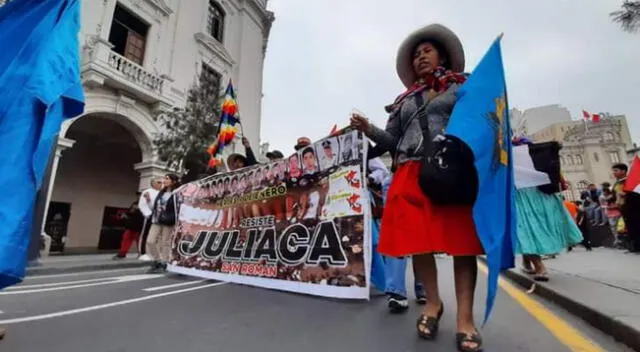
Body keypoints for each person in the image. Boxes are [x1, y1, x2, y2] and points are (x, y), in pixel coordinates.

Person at [351, 24, 484, 351]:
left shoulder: (463, 88)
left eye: (427, 50)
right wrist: (369, 129)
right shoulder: (404, 101)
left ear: (442, 55)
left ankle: (466, 319)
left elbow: (480, 125)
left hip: (451, 170)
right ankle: (433, 304)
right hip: (409, 172)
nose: (420, 57)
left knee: (462, 244)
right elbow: (393, 141)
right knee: (419, 243)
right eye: (415, 54)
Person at [147, 173, 180, 273]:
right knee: (150, 241)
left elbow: (178, 208)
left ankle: (164, 262)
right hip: (157, 220)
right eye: (164, 178)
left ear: (173, 181)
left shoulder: (176, 194)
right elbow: (156, 207)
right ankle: (157, 260)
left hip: (169, 221)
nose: (164, 180)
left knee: (165, 242)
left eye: (167, 179)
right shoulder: (161, 193)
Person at [138, 178, 163, 261]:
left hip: (160, 217)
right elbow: (142, 204)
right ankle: (143, 252)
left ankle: (155, 253)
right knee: (146, 234)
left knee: (158, 236)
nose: (161, 184)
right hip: (150, 216)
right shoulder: (147, 192)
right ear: (153, 184)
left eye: (162, 182)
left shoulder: (163, 193)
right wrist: (148, 214)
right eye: (159, 182)